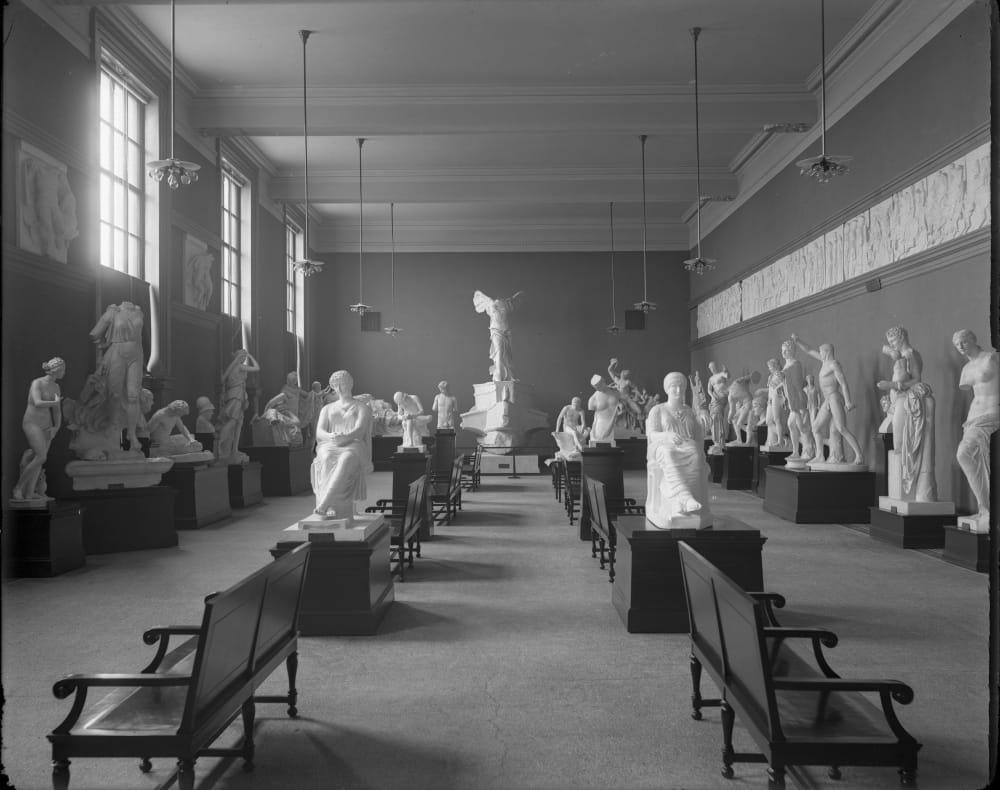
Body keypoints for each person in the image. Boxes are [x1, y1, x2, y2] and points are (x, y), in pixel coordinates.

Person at [876, 326, 937, 501]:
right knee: (897, 447)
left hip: (904, 400)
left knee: (901, 446)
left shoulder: (911, 354)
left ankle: (907, 486)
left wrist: (891, 385)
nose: (891, 344)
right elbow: (887, 350)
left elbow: (917, 379)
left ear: (902, 337)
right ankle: (901, 490)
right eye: (889, 342)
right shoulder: (901, 356)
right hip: (896, 402)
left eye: (893, 340)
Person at [644, 372, 712, 529]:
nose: (678, 390)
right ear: (667, 389)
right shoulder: (658, 410)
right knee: (668, 453)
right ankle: (685, 497)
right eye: (674, 386)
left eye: (681, 386)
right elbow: (652, 434)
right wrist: (667, 435)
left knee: (696, 454)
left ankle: (686, 500)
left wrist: (702, 417)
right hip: (663, 445)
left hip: (687, 445)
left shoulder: (690, 411)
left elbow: (698, 433)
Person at [791, 334, 864, 465]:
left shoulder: (833, 365)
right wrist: (798, 341)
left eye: (821, 352)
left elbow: (843, 383)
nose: (819, 353)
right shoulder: (824, 362)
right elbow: (809, 350)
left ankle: (859, 455)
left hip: (835, 398)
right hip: (827, 400)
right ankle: (820, 456)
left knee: (841, 428)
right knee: (815, 428)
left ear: (827, 352)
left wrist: (848, 401)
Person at [311, 370, 374, 523]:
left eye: (343, 384)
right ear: (333, 387)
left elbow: (360, 430)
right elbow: (319, 432)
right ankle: (329, 505)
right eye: (336, 385)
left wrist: (346, 437)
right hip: (330, 443)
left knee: (347, 459)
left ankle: (325, 503)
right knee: (326, 458)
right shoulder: (327, 408)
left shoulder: (361, 407)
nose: (340, 388)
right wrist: (332, 437)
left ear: (351, 384)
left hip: (353, 444)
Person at [952, 329, 998, 533]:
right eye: (957, 344)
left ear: (973, 339)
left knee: (970, 454)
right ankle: (985, 508)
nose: (961, 347)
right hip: (973, 419)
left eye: (963, 341)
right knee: (966, 455)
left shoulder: (991, 358)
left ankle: (989, 509)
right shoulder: (966, 369)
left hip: (992, 414)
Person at [89, 301, 144, 450]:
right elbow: (95, 333)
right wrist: (106, 319)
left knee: (134, 395)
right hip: (117, 352)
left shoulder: (139, 312)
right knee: (114, 394)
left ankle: (131, 433)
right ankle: (112, 424)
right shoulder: (114, 311)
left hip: (136, 354)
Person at [11, 357, 65, 502]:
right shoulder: (37, 383)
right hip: (32, 423)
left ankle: (29, 493)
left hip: (47, 425)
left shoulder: (56, 387)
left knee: (39, 459)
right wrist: (54, 402)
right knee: (41, 456)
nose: (64, 372)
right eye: (63, 369)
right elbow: (37, 402)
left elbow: (57, 412)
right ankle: (18, 488)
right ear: (57, 370)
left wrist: (56, 427)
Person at [216, 348, 260, 462]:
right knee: (233, 421)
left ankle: (234, 450)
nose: (244, 358)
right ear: (238, 357)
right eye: (243, 356)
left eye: (245, 356)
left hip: (238, 395)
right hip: (236, 395)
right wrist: (250, 356)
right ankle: (221, 445)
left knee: (238, 423)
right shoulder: (239, 367)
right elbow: (257, 367)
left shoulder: (233, 367)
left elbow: (223, 379)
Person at [473, 289, 523, 381]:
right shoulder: (490, 302)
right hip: (496, 330)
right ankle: (499, 375)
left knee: (507, 355)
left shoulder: (506, 303)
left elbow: (513, 300)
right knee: (499, 352)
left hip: (506, 331)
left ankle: (508, 376)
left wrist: (518, 295)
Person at [779, 339, 814, 460]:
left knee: (801, 427)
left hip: (797, 399)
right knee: (792, 425)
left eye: (785, 350)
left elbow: (797, 383)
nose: (783, 353)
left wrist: (784, 376)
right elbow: (786, 384)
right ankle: (797, 452)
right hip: (792, 400)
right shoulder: (786, 365)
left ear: (791, 351)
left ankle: (809, 450)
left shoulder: (795, 364)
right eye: (782, 350)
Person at [587, 375, 620, 446]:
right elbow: (591, 408)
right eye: (596, 387)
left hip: (617, 423)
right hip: (601, 425)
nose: (598, 389)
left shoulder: (616, 392)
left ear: (604, 382)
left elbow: (627, 400)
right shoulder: (593, 399)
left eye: (599, 386)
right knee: (599, 438)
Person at [726, 371, 757, 445]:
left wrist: (729, 418)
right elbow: (745, 378)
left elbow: (732, 410)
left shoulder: (730, 395)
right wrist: (750, 376)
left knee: (739, 423)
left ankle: (750, 432)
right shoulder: (735, 382)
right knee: (735, 420)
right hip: (747, 403)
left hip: (748, 403)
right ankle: (739, 439)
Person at [763, 358, 788, 448]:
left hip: (778, 397)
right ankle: (783, 437)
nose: (769, 368)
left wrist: (777, 388)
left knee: (777, 419)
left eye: (770, 367)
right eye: (769, 367)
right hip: (771, 399)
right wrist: (768, 397)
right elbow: (770, 389)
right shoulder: (771, 376)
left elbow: (785, 383)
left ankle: (780, 441)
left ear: (775, 366)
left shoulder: (779, 373)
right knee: (768, 421)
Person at [706, 362, 730, 453]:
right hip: (715, 397)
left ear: (715, 367)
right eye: (710, 368)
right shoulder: (711, 378)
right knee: (713, 417)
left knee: (718, 416)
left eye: (713, 367)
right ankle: (716, 441)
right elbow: (709, 389)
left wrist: (726, 370)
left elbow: (727, 376)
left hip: (722, 396)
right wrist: (712, 396)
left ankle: (720, 441)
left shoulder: (721, 374)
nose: (712, 369)